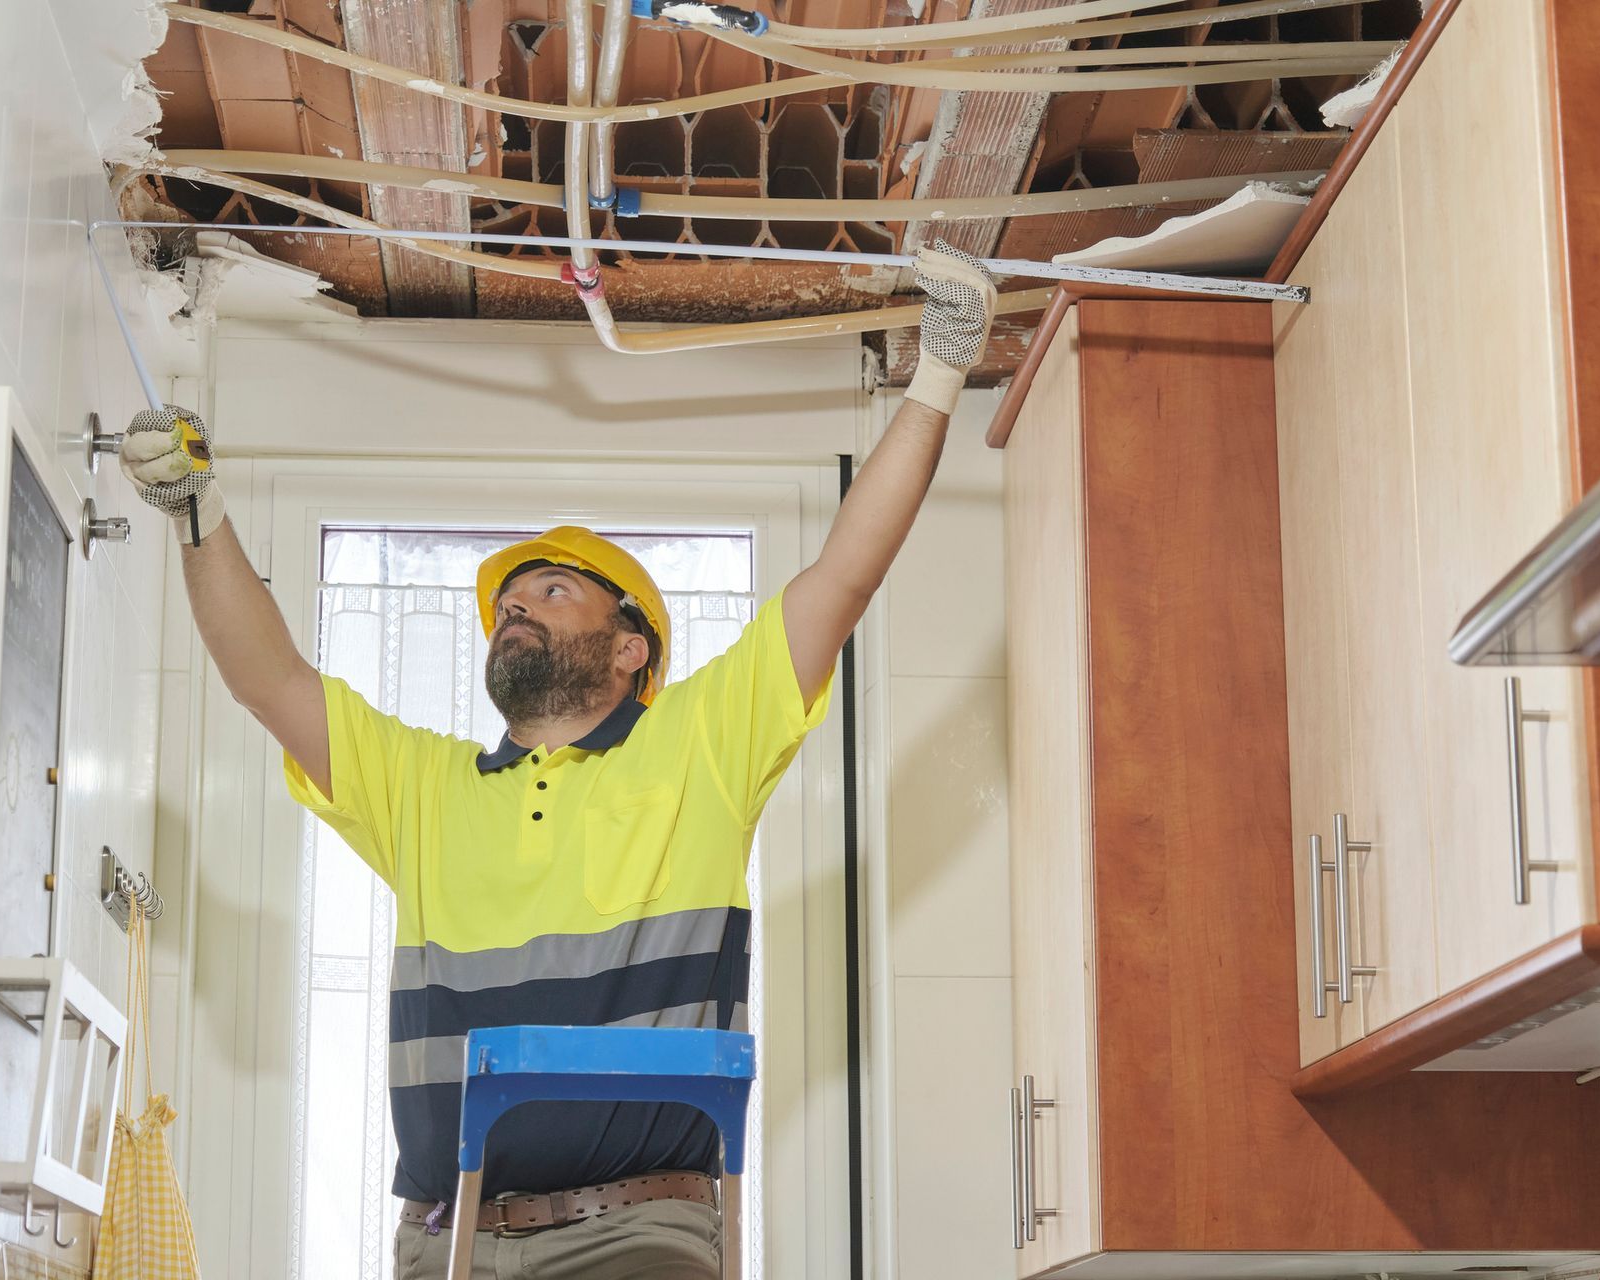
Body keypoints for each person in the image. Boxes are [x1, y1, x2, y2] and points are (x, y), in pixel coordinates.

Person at [119, 243, 997, 1279]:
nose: (517, 607)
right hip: (444, 1236)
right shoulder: (423, 787)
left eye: (551, 591)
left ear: (632, 650)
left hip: (636, 1233)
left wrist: (940, 367)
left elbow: (843, 573)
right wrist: (197, 513)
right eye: (507, 602)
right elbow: (267, 678)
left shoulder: (699, 747)